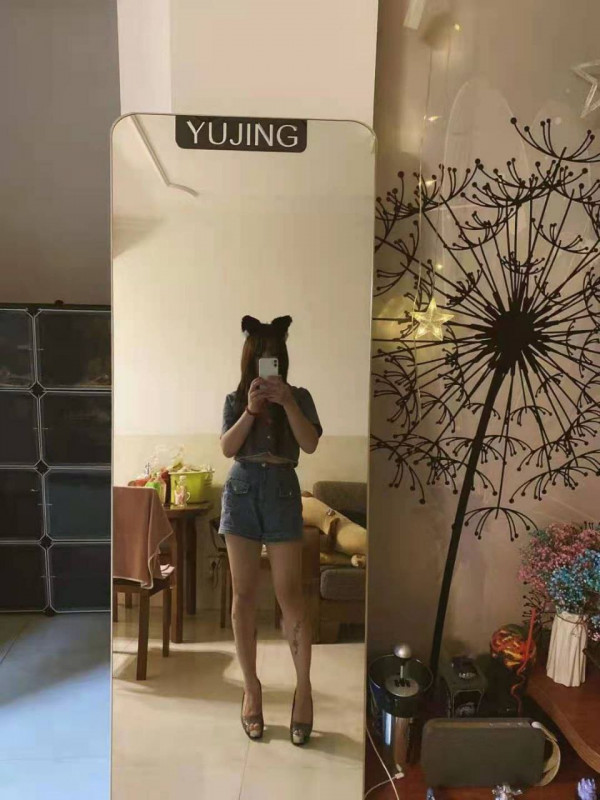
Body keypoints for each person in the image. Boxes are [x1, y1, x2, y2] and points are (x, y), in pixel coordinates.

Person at [219, 314, 322, 746]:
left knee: (289, 595)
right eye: (262, 356)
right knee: (243, 596)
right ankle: (252, 689)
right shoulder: (236, 398)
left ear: (282, 359)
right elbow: (227, 447)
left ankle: (304, 691)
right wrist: (251, 410)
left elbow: (309, 444)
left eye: (275, 356)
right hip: (241, 491)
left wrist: (288, 403)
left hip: (282, 491)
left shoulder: (300, 397)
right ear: (250, 360)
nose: (269, 363)